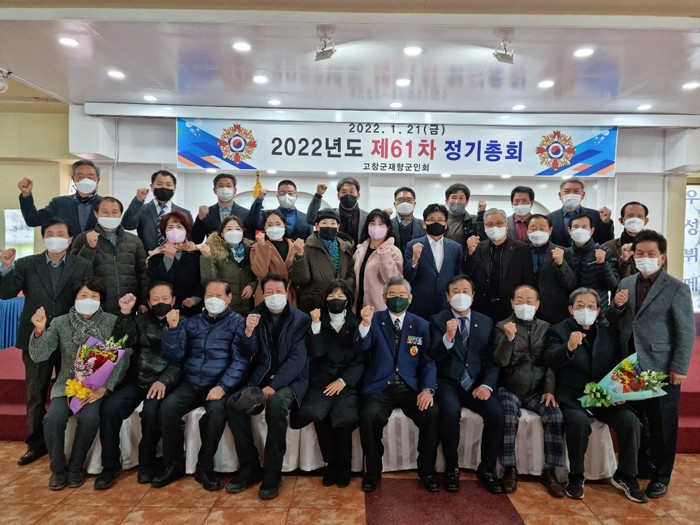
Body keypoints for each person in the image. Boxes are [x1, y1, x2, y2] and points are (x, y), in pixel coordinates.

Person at [606, 230, 695, 499]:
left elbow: (685, 331)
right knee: (638, 419)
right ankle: (643, 465)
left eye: (650, 254)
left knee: (662, 424)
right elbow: (613, 320)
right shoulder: (626, 283)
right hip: (631, 362)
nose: (644, 257)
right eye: (640, 253)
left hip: (661, 364)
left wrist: (679, 367)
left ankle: (661, 476)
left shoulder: (676, 288)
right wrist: (616, 307)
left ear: (662, 257)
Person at [0, 218, 92, 467]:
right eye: (50, 233)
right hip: (35, 337)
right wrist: (5, 268)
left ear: (70, 239)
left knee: (70, 390)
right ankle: (36, 444)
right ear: (43, 238)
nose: (55, 237)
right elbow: (5, 293)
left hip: (69, 339)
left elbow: (89, 298)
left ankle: (68, 442)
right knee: (35, 393)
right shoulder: (26, 264)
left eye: (61, 233)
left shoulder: (82, 265)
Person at [28, 277, 131, 490]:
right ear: (74, 297)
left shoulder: (111, 321)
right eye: (83, 295)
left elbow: (120, 359)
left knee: (90, 418)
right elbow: (39, 355)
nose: (88, 300)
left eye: (94, 296)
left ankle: (75, 467)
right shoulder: (60, 322)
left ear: (101, 300)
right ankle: (57, 469)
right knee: (52, 419)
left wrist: (104, 388)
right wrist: (39, 331)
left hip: (95, 388)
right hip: (66, 385)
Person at [544, 288, 646, 503]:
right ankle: (576, 476)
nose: (586, 310)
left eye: (591, 306)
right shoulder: (558, 330)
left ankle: (626, 475)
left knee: (630, 422)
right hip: (572, 396)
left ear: (599, 310)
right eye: (580, 306)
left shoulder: (609, 333)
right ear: (571, 309)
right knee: (578, 423)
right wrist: (568, 347)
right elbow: (549, 359)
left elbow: (619, 366)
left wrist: (621, 392)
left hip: (603, 396)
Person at [152, 280, 248, 491]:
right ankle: (173, 464)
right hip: (191, 383)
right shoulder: (191, 322)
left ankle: (204, 467)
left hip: (218, 384)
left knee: (216, 414)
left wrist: (223, 386)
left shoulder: (237, 323)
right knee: (167, 407)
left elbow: (240, 360)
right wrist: (172, 329)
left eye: (219, 296)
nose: (214, 300)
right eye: (209, 295)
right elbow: (175, 355)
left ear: (229, 298)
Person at [225, 274, 310, 500]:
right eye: (269, 292)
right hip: (261, 377)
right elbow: (250, 351)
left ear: (286, 292)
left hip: (291, 380)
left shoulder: (300, 319)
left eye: (278, 291)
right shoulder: (255, 315)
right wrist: (248, 332)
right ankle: (250, 465)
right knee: (234, 404)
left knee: (276, 406)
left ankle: (273, 472)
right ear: (262, 294)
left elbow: (297, 359)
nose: (274, 296)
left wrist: (274, 386)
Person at [94, 281, 183, 489]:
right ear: (149, 303)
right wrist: (125, 314)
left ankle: (147, 464)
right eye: (155, 299)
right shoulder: (139, 320)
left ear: (173, 300)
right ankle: (110, 466)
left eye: (165, 299)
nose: (160, 303)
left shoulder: (184, 322)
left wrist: (164, 380)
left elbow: (182, 360)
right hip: (135, 379)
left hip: (162, 381)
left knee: (151, 413)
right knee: (110, 408)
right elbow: (122, 342)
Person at [355, 276, 439, 493]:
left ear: (410, 298)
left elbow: (427, 361)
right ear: (384, 297)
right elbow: (361, 347)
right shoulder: (373, 320)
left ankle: (427, 471)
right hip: (380, 387)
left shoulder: (421, 324)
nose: (397, 299)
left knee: (432, 414)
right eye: (392, 295)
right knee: (369, 415)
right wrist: (365, 324)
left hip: (410, 387)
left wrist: (427, 389)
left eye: (402, 295)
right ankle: (373, 471)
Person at [429, 275, 504, 494]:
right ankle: (452, 468)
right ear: (447, 296)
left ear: (473, 295)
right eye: (455, 291)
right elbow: (433, 356)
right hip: (447, 382)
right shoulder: (437, 320)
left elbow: (492, 360)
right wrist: (447, 338)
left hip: (476, 383)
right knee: (450, 412)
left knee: (496, 413)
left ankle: (487, 468)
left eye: (465, 291)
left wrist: (487, 386)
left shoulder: (486, 321)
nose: (460, 295)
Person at [493, 285, 566, 497]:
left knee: (555, 416)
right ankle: (509, 469)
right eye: (519, 300)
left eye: (529, 301)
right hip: (510, 388)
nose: (524, 304)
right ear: (512, 303)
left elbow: (551, 362)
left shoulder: (546, 327)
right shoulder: (502, 326)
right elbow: (500, 361)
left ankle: (551, 471)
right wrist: (508, 340)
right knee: (508, 415)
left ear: (538, 304)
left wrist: (549, 390)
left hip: (538, 390)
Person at [290, 280, 363, 488]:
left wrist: (343, 381)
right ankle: (330, 463)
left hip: (346, 382)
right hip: (321, 380)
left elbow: (360, 361)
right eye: (331, 297)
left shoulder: (356, 324)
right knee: (319, 416)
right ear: (324, 300)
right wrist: (315, 326)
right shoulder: (316, 320)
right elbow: (316, 354)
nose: (335, 300)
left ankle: (344, 465)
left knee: (342, 418)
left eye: (340, 297)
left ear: (348, 301)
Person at [70, 197, 148, 315]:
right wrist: (89, 247)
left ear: (120, 214)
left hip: (128, 306)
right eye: (105, 212)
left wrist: (143, 302)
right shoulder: (83, 238)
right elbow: (75, 272)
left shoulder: (134, 241)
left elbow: (143, 274)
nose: (110, 216)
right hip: (96, 308)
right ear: (96, 213)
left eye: (114, 212)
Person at [462, 208, 535, 322]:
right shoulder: (478, 247)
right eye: (490, 224)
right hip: (482, 306)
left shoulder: (522, 249)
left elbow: (527, 279)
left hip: (510, 306)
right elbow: (467, 273)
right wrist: (470, 253)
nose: (494, 227)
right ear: (484, 227)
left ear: (506, 225)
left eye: (499, 223)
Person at [403, 204, 463, 319]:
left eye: (440, 220)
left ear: (446, 224)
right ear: (424, 224)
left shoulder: (456, 247)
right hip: (419, 305)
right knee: (419, 331)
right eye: (431, 220)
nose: (436, 223)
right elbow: (407, 277)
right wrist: (414, 260)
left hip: (446, 304)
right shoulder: (413, 245)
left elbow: (458, 276)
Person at [290, 208, 356, 313]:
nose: (329, 226)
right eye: (324, 223)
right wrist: (300, 256)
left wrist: (342, 291)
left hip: (340, 303)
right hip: (314, 305)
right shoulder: (307, 247)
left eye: (333, 223)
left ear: (338, 226)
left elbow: (351, 274)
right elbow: (300, 280)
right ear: (317, 226)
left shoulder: (346, 248)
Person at [18, 159, 102, 237]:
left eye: (90, 177)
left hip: (98, 248)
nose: (85, 181)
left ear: (97, 180)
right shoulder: (59, 203)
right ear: (73, 179)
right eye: (80, 177)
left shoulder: (105, 204)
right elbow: (33, 220)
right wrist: (26, 195)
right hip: (67, 248)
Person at [146, 211, 203, 317]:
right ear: (165, 232)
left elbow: (203, 280)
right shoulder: (155, 256)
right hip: (164, 311)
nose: (175, 230)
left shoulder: (196, 254)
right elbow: (154, 283)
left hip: (191, 309)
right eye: (170, 227)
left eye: (179, 227)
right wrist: (168, 259)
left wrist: (196, 298)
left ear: (186, 231)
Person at [121, 169, 193, 252]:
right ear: (152, 187)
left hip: (176, 257)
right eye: (159, 184)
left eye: (168, 185)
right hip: (147, 256)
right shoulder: (142, 209)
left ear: (174, 188)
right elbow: (128, 225)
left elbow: (190, 238)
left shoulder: (184, 213)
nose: (164, 187)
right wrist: (138, 200)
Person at [200, 215, 256, 316]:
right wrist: (207, 258)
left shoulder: (251, 250)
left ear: (243, 232)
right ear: (222, 233)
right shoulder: (213, 252)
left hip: (248, 307)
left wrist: (252, 286)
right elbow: (208, 280)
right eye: (229, 229)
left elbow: (258, 275)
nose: (234, 232)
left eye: (238, 229)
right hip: (225, 309)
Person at [526, 214, 577, 325]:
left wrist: (561, 264)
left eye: (542, 228)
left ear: (550, 230)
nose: (538, 232)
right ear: (527, 231)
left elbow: (570, 283)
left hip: (555, 312)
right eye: (533, 228)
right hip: (527, 309)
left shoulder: (564, 251)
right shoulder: (521, 251)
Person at [352, 209, 403, 313]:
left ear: (388, 228)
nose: (376, 227)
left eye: (381, 224)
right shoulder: (360, 249)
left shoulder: (394, 251)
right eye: (372, 224)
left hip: (379, 308)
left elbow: (394, 281)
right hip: (357, 306)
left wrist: (385, 257)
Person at [565, 213, 619, 309]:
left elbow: (613, 284)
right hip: (572, 309)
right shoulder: (565, 254)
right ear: (569, 230)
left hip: (598, 309)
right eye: (576, 227)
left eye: (584, 227)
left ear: (592, 230)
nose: (580, 230)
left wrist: (603, 264)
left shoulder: (605, 252)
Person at [603, 201, 667, 278]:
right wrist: (624, 262)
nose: (635, 220)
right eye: (630, 216)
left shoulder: (656, 244)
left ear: (646, 221)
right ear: (621, 220)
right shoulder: (609, 247)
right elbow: (611, 279)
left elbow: (663, 275)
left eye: (639, 216)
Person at [547, 177, 614, 247]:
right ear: (560, 195)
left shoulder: (596, 216)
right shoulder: (549, 219)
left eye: (576, 191)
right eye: (567, 191)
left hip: (589, 253)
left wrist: (606, 223)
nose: (571, 195)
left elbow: (607, 242)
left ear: (583, 195)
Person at [250, 210, 298, 307]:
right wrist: (262, 246)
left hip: (289, 292)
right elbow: (261, 273)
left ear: (284, 225)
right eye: (270, 225)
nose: (274, 228)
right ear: (264, 228)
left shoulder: (294, 246)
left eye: (278, 224)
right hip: (267, 293)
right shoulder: (256, 247)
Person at [245, 180, 315, 240]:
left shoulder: (306, 218)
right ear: (277, 196)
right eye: (282, 193)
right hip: (272, 250)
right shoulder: (268, 215)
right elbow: (251, 224)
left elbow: (310, 239)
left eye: (290, 193)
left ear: (296, 196)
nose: (286, 196)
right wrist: (259, 200)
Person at [306, 178, 368, 244]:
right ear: (338, 196)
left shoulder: (366, 217)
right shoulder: (330, 214)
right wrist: (318, 195)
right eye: (344, 192)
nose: (348, 195)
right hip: (334, 250)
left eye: (351, 192)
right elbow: (311, 219)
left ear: (358, 195)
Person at [191, 173, 250, 244]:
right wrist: (199, 219)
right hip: (212, 250)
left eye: (228, 186)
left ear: (234, 190)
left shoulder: (246, 213)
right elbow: (196, 240)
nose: (225, 189)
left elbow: (249, 239)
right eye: (221, 186)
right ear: (215, 190)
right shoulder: (206, 213)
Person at [391, 186, 425, 254]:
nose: (404, 203)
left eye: (409, 200)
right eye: (400, 200)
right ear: (394, 204)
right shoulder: (387, 225)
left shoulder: (423, 225)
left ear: (414, 204)